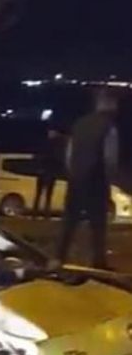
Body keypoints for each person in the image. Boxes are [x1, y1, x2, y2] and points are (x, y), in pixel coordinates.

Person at [56, 88, 120, 270]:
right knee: (98, 224)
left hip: (76, 180)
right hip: (97, 181)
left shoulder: (79, 124)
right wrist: (109, 179)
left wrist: (74, 173)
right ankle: (98, 262)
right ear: (109, 103)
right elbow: (110, 158)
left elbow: (69, 154)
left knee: (69, 221)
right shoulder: (108, 127)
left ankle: (59, 257)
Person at [33, 124, 65, 218]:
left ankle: (40, 213)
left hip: (46, 172)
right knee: (45, 194)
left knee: (42, 194)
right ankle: (42, 213)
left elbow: (39, 157)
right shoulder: (55, 146)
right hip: (48, 172)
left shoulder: (48, 145)